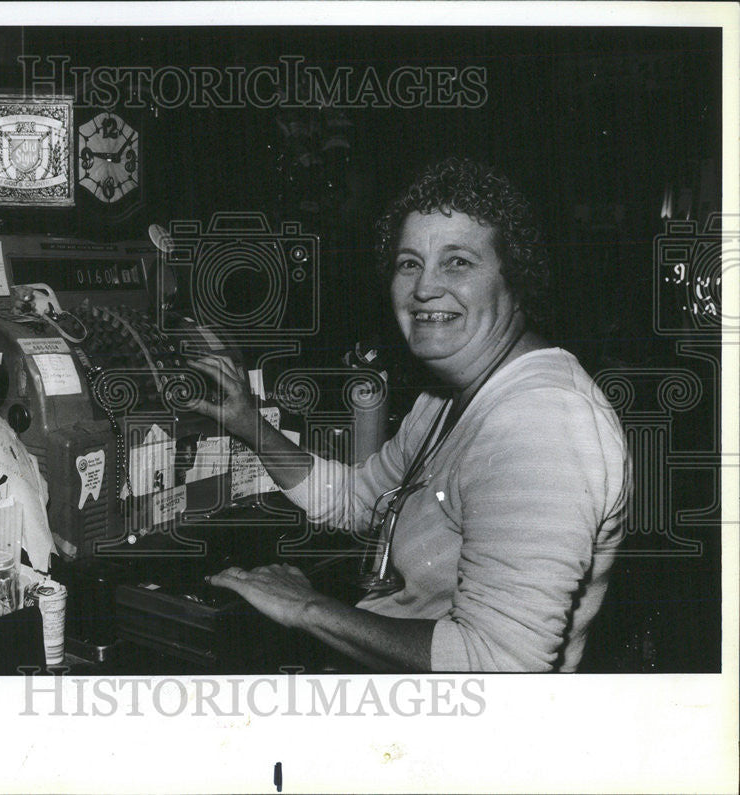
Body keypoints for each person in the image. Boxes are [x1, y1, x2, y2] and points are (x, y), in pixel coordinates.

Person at [187, 157, 629, 672]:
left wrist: (306, 608)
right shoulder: (445, 398)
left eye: (458, 261)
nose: (424, 288)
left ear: (517, 279)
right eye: (409, 262)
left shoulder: (542, 423)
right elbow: (357, 501)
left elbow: (498, 666)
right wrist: (249, 425)